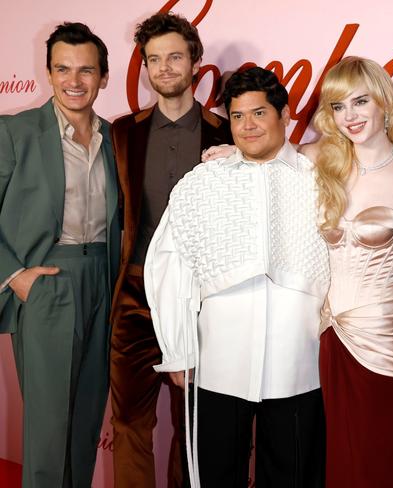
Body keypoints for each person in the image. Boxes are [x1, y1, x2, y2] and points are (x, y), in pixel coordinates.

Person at [144, 67, 329, 487]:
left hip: (298, 361)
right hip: (218, 359)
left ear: (284, 114)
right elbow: (170, 263)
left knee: (293, 473)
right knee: (214, 473)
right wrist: (177, 349)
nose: (248, 126)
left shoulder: (317, 179)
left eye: (259, 113)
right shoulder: (204, 181)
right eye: (238, 115)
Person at [295, 56, 393, 488]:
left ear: (385, 103)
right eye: (338, 106)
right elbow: (261, 157)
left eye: (360, 102)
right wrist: (230, 154)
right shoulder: (314, 159)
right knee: (335, 459)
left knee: (381, 459)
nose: (349, 116)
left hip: (389, 338)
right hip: (329, 335)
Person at [109, 12, 232, 488]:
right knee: (129, 424)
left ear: (196, 62)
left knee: (194, 429)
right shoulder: (124, 132)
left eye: (174, 57)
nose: (163, 68)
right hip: (135, 295)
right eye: (153, 59)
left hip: (202, 300)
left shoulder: (228, 133)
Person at [0, 22, 120, 488]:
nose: (74, 80)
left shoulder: (116, 139)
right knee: (49, 428)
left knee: (87, 418)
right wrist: (15, 276)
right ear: (49, 74)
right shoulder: (16, 132)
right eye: (62, 68)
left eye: (86, 70)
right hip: (47, 279)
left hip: (102, 280)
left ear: (103, 77)